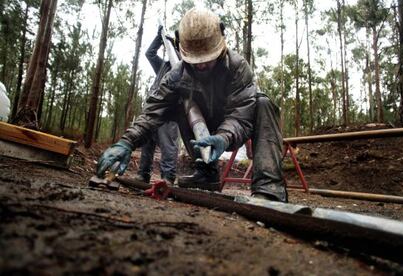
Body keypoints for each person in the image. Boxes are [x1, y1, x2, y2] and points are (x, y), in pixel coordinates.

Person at [97, 7, 288, 202]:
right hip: (200, 134)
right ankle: (206, 173)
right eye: (196, 60)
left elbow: (241, 115)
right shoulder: (176, 76)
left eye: (207, 59)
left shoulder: (237, 67)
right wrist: (126, 142)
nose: (202, 65)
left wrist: (223, 137)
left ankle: (269, 188)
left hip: (233, 129)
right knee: (179, 103)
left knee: (263, 102)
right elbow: (152, 113)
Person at [136, 26, 179, 185]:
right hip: (152, 109)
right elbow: (150, 53)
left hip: (169, 111)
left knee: (168, 145)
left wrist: (174, 47)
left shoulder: (184, 66)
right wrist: (159, 37)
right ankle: (143, 174)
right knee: (147, 141)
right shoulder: (163, 66)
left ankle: (168, 178)